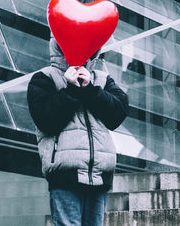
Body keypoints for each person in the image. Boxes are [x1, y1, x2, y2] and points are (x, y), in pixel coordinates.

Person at [27, 34, 128, 226]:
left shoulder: (102, 79)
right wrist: (70, 90)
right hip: (65, 173)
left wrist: (90, 89)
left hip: (99, 174)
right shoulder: (45, 78)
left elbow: (117, 115)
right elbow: (46, 120)